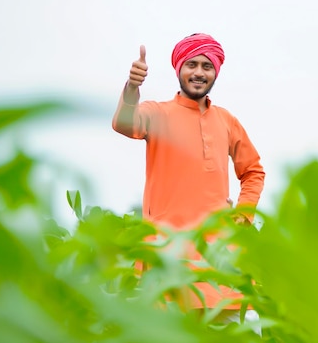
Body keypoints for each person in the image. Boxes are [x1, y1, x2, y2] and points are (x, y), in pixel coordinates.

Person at [112, 33, 265, 318]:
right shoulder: (157, 113)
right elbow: (124, 123)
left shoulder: (227, 120)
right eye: (191, 64)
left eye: (207, 66)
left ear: (215, 73)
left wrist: (243, 213)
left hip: (220, 257)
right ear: (179, 69)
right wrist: (132, 87)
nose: (198, 72)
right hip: (169, 255)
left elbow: (253, 171)